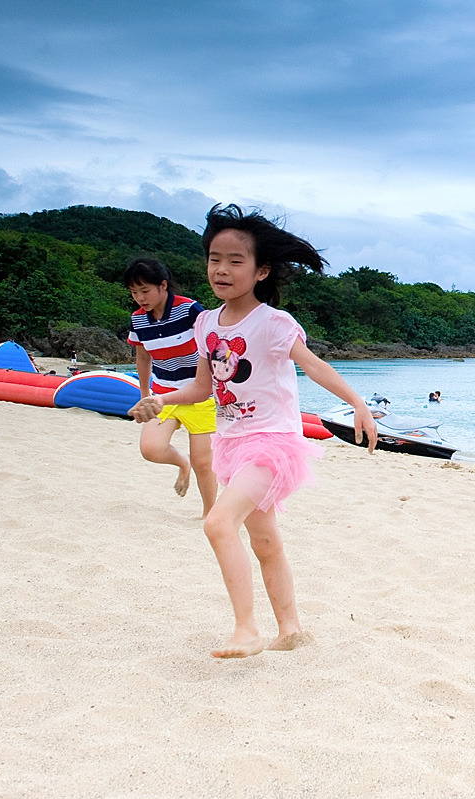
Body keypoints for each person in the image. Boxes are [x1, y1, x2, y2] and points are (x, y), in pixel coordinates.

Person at [131, 204, 377, 659]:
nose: (221, 270)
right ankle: (291, 629)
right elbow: (204, 388)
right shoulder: (205, 324)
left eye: (235, 261)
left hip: (274, 445)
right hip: (232, 445)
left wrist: (358, 404)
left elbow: (314, 366)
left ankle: (246, 629)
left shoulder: (273, 323)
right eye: (214, 259)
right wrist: (162, 399)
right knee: (264, 540)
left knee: (218, 522)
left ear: (262, 271)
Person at [124, 257, 218, 517]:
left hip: (199, 395)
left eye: (145, 291)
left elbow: (214, 346)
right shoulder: (138, 320)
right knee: (151, 449)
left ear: (163, 286)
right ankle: (181, 463)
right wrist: (145, 395)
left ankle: (209, 515)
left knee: (204, 462)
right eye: (134, 292)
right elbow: (143, 356)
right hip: (163, 393)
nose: (140, 297)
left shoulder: (189, 310)